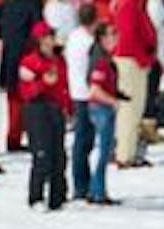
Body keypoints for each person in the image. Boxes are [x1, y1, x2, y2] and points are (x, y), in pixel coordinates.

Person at [18, 21, 69, 210]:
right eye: (47, 38)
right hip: (38, 110)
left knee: (59, 155)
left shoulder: (59, 60)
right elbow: (26, 92)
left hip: (56, 109)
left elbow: (64, 86)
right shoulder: (29, 62)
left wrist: (68, 107)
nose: (50, 41)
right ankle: (36, 196)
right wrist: (43, 83)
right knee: (41, 154)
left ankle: (58, 196)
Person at [110, 0, 157, 167]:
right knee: (129, 109)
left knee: (134, 109)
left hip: (133, 58)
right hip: (131, 60)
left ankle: (128, 150)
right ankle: (124, 154)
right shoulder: (129, 4)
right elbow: (128, 34)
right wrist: (144, 59)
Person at [0, 0, 41, 152]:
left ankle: (13, 137)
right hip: (26, 55)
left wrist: (3, 33)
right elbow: (38, 30)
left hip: (9, 55)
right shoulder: (33, 5)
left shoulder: (9, 3)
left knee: (14, 100)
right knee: (28, 100)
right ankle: (26, 137)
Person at [81, 21, 120, 203]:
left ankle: (96, 190)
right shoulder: (100, 61)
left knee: (106, 151)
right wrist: (113, 101)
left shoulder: (106, 58)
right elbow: (95, 89)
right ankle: (97, 191)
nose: (114, 38)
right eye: (110, 34)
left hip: (103, 106)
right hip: (101, 108)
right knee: (104, 152)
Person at [64, 4, 96, 196]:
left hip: (76, 90)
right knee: (83, 140)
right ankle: (81, 184)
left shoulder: (73, 37)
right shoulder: (88, 42)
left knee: (82, 140)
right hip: (86, 92)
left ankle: (81, 182)